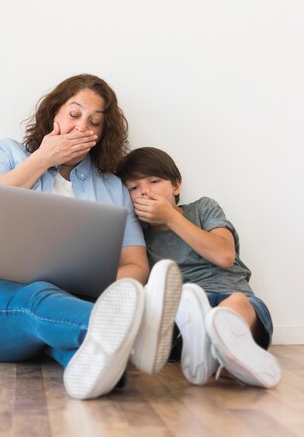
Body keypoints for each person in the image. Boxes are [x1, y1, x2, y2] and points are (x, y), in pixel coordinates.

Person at [0, 74, 182, 400]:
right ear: (54, 113)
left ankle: (110, 356)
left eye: (95, 122)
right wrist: (44, 158)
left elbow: (135, 264)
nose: (83, 126)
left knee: (103, 365)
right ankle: (140, 334)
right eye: (74, 114)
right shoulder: (10, 153)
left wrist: (87, 287)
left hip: (62, 316)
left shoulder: (111, 187)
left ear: (101, 135)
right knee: (39, 294)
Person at [116, 147, 281, 388]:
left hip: (231, 297)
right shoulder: (136, 238)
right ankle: (218, 354)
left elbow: (224, 255)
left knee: (235, 305)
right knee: (174, 312)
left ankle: (218, 346)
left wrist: (171, 218)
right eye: (134, 188)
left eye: (154, 181)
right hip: (179, 315)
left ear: (176, 185)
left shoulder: (202, 208)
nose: (145, 192)